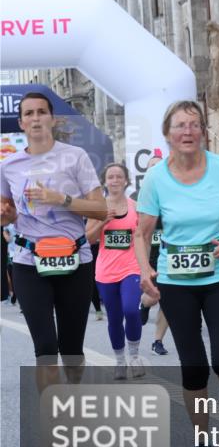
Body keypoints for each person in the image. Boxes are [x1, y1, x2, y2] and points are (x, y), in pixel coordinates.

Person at [135, 100, 219, 447]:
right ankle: (203, 443)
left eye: (194, 125)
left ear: (203, 131)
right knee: (193, 367)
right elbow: (141, 233)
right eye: (180, 126)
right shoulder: (156, 178)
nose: (188, 132)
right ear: (167, 134)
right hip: (176, 281)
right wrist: (145, 271)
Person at [0, 92, 107, 388]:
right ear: (21, 122)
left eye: (41, 112)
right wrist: (5, 215)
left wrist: (61, 199)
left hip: (74, 260)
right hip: (28, 262)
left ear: (52, 118)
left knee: (71, 351)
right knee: (45, 349)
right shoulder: (8, 166)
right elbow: (6, 214)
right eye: (29, 114)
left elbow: (101, 208)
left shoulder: (75, 156)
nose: (35, 118)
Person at [87, 162, 145, 379]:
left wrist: (145, 266)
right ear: (105, 181)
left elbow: (142, 237)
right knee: (114, 317)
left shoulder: (135, 206)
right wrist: (103, 222)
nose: (114, 181)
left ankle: (134, 356)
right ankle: (120, 361)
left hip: (131, 267)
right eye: (110, 177)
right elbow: (89, 238)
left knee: (131, 310)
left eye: (119, 177)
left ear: (126, 180)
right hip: (106, 271)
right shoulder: (98, 207)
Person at [139, 153, 171, 356]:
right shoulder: (143, 198)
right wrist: (144, 267)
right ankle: (143, 303)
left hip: (171, 256)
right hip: (151, 258)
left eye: (159, 166)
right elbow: (141, 236)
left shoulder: (173, 194)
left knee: (167, 298)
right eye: (151, 166)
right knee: (153, 297)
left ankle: (157, 341)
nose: (155, 169)